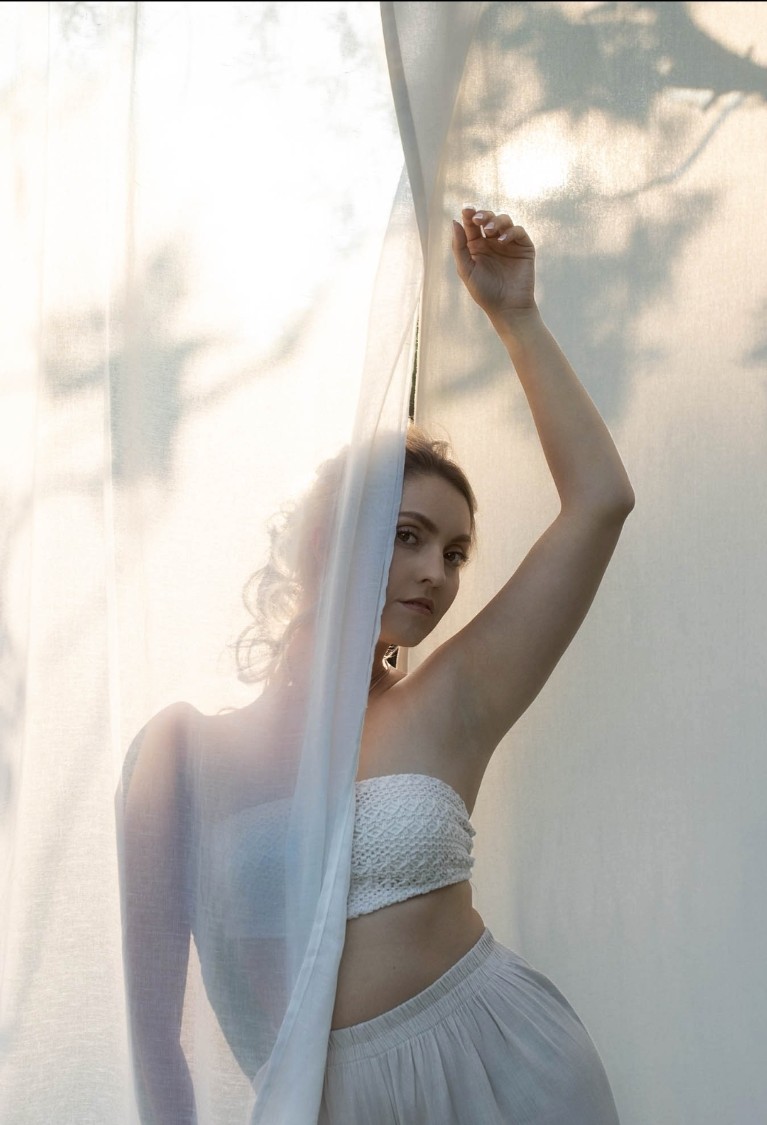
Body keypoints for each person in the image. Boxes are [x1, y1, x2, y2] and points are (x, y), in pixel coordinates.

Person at [120, 206, 633, 1124]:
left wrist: (516, 317)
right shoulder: (184, 751)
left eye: (455, 552)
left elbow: (599, 500)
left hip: (505, 1065)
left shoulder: (450, 700)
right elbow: (156, 1031)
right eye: (408, 535)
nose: (436, 572)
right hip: (329, 1102)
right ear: (325, 537)